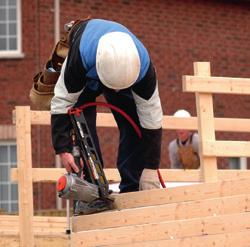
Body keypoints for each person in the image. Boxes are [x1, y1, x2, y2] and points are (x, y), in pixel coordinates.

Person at [50, 18, 163, 213]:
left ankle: (132, 187)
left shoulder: (143, 69)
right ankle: (93, 191)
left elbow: (152, 120)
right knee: (79, 121)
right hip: (89, 71)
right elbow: (62, 102)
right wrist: (63, 148)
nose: (116, 93)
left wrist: (151, 168)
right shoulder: (80, 58)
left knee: (134, 123)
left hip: (123, 73)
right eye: (114, 88)